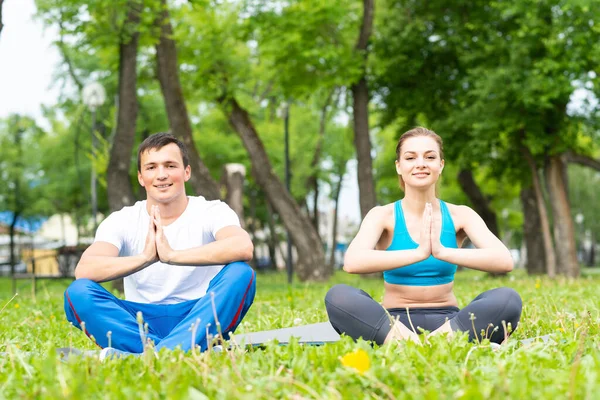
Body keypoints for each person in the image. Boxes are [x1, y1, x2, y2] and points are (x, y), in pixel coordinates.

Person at [64, 133, 256, 357]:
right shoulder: (121, 220)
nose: (161, 175)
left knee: (241, 273)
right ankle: (184, 351)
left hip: (200, 314)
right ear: (140, 177)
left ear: (186, 172)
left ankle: (147, 356)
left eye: (170, 165)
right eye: (152, 167)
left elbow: (242, 246)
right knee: (77, 293)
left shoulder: (212, 210)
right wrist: (145, 257)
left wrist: (172, 255)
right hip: (138, 323)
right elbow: (85, 270)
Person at [325, 127, 522, 346]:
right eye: (411, 157)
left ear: (441, 165)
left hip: (450, 323)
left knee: (508, 299)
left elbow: (504, 260)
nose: (421, 163)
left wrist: (442, 251)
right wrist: (418, 253)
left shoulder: (461, 215)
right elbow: (352, 262)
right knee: (338, 296)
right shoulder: (382, 216)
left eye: (430, 157)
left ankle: (429, 343)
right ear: (399, 167)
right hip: (392, 323)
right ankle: (410, 342)